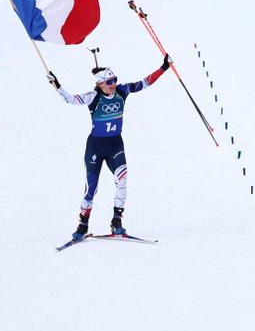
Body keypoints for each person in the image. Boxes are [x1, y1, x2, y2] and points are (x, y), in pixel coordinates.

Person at [48, 57, 171, 240]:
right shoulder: (93, 97)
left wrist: (164, 67)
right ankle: (82, 225)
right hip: (95, 147)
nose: (113, 84)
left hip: (115, 145)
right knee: (91, 189)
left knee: (122, 180)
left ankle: (117, 221)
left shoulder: (122, 91)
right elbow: (71, 99)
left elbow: (145, 83)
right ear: (100, 84)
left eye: (115, 80)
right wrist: (56, 85)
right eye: (109, 82)